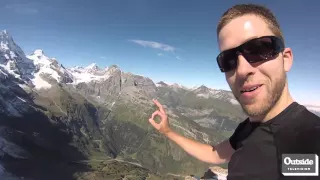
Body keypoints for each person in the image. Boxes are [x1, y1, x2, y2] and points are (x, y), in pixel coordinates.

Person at [148, 3, 320, 180]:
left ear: (285, 59)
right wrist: (167, 131)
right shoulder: (248, 128)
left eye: (258, 49)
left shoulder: (311, 138)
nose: (242, 70)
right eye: (228, 60)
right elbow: (214, 154)